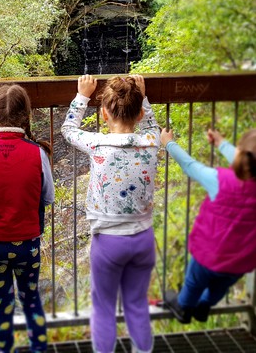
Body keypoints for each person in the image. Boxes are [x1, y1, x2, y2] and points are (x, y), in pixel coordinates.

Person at [160, 126, 256, 324]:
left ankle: (183, 308)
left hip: (208, 256)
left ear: (244, 156)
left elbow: (189, 166)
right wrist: (221, 143)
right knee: (220, 287)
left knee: (193, 283)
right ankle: (205, 306)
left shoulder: (220, 181)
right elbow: (250, 165)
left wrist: (168, 143)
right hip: (241, 261)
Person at [61, 74, 160, 353]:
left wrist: (82, 96)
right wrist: (144, 95)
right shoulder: (152, 141)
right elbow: (153, 125)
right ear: (140, 113)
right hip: (142, 238)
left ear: (103, 113)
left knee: (103, 307)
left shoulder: (97, 144)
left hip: (108, 242)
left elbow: (68, 130)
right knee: (137, 304)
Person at [0, 84, 54, 353]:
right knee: (30, 298)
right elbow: (48, 197)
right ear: (26, 116)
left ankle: (5, 348)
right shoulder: (37, 153)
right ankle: (38, 347)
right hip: (28, 242)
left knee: (1, 299)